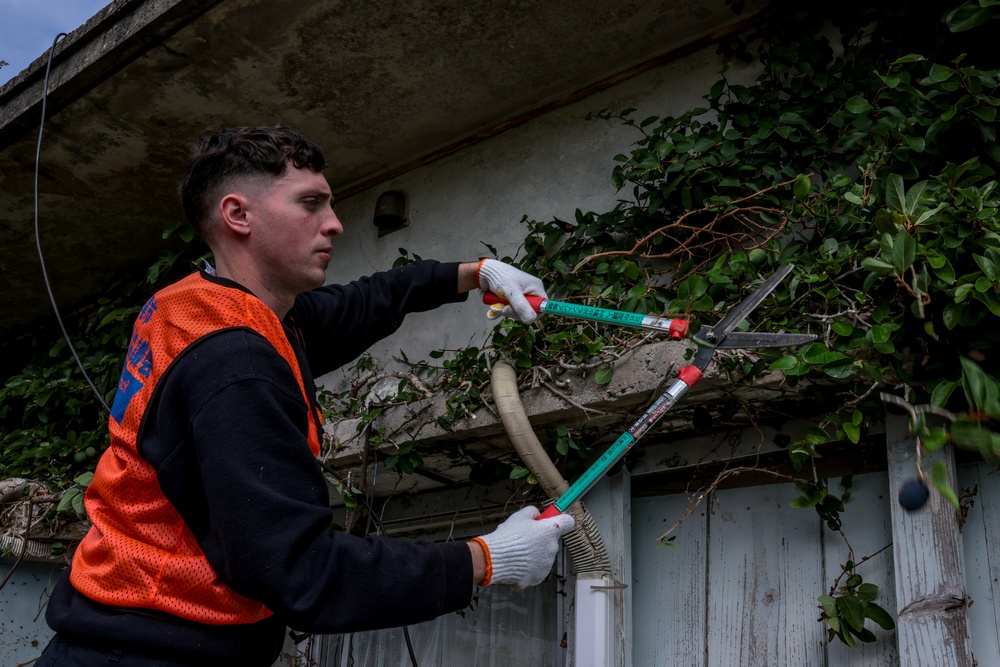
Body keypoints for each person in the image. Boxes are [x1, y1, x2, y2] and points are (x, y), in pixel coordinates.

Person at [35, 126, 574, 667]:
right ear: (237, 215)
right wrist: (485, 560)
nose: (335, 223)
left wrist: (472, 274)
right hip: (152, 650)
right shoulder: (235, 365)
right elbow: (301, 570)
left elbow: (361, 304)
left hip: (122, 633)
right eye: (310, 203)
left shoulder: (198, 305)